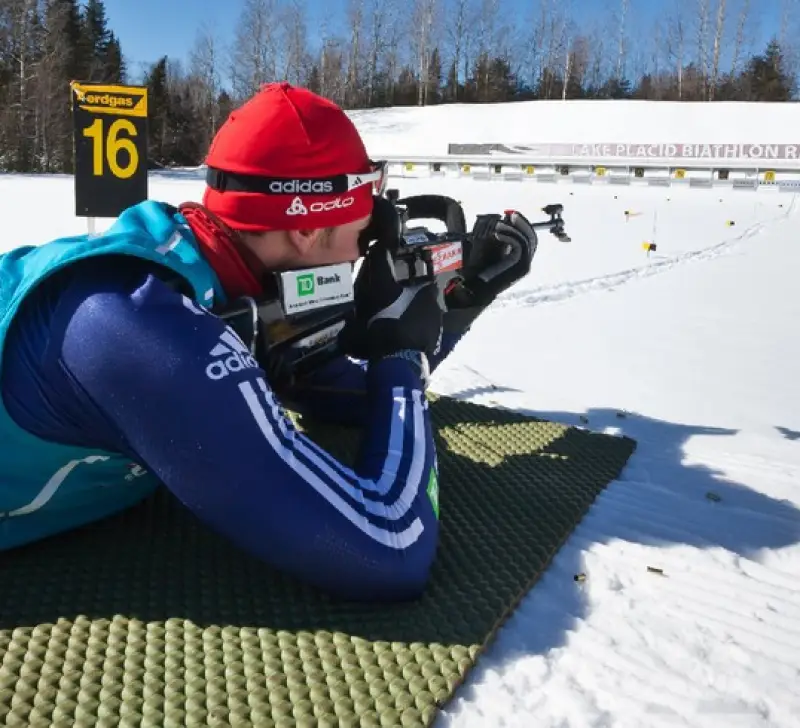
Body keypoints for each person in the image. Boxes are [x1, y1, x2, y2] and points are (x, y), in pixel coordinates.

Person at [0, 82, 537, 602]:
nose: (362, 249)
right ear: (305, 227)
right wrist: (404, 357)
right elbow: (390, 546)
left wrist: (457, 301)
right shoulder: (137, 323)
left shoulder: (220, 275)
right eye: (361, 227)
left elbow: (343, 393)